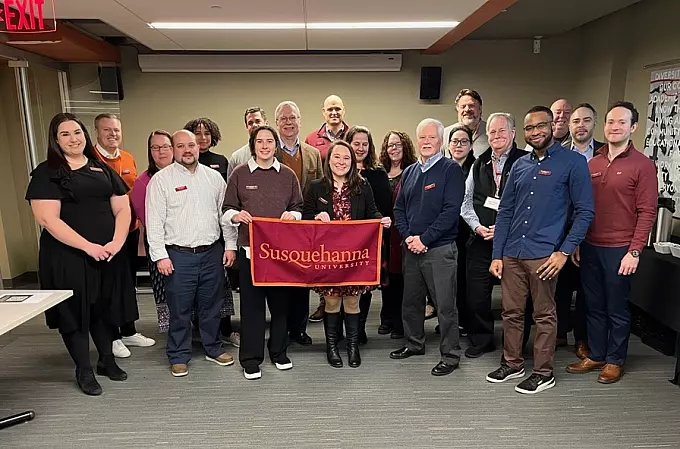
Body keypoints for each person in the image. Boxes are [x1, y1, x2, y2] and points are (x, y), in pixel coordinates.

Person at [25, 112, 137, 395]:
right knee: (75, 313)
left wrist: (116, 241)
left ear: (85, 135)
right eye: (65, 134)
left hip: (107, 253)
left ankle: (106, 360)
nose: (73, 139)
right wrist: (88, 247)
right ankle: (83, 369)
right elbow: (48, 220)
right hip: (68, 256)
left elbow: (122, 207)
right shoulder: (47, 172)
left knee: (103, 307)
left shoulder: (101, 168)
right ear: (55, 140)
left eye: (77, 132)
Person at [486, 106, 594, 394]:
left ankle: (544, 373)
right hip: (512, 252)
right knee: (511, 312)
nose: (535, 132)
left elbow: (585, 212)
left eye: (540, 126)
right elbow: (506, 211)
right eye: (529, 128)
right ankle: (513, 363)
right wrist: (497, 254)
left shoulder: (573, 163)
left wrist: (564, 251)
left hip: (545, 255)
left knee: (544, 315)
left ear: (553, 126)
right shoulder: (520, 165)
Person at [566, 101, 657, 384]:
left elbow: (648, 212)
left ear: (633, 127)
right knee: (593, 304)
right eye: (610, 122)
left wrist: (635, 251)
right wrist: (578, 242)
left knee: (616, 307)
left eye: (621, 122)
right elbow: (582, 208)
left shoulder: (642, 165)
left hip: (620, 249)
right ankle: (597, 353)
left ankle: (615, 360)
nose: (614, 127)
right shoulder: (591, 162)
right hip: (590, 246)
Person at [145, 130, 236, 378]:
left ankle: (213, 347)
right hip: (178, 255)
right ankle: (178, 355)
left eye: (192, 145)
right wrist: (160, 256)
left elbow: (225, 216)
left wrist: (230, 245)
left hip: (211, 253)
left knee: (211, 305)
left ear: (199, 147)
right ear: (173, 150)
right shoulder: (162, 180)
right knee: (180, 308)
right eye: (181, 146)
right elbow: (154, 222)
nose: (187, 150)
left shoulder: (215, 178)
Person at [223, 125, 304, 380]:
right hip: (251, 253)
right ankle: (250, 359)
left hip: (280, 255)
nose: (265, 146)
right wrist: (236, 215)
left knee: (281, 306)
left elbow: (298, 206)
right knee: (252, 307)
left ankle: (279, 353)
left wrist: (294, 215)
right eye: (260, 141)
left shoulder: (288, 175)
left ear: (276, 145)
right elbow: (227, 209)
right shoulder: (240, 174)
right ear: (253, 145)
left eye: (270, 141)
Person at [303, 140, 391, 368]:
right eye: (337, 157)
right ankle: (331, 348)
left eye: (346, 158)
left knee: (352, 302)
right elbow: (304, 218)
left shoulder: (362, 185)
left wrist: (381, 219)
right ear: (328, 160)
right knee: (331, 302)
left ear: (352, 162)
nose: (341, 162)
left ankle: (352, 348)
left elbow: (372, 212)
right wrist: (315, 219)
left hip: (355, 257)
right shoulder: (316, 187)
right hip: (328, 257)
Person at [390, 118, 465, 377]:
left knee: (445, 306)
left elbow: (450, 212)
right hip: (411, 248)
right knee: (410, 302)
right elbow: (399, 208)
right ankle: (414, 343)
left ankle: (451, 355)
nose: (426, 142)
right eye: (422, 137)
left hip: (439, 250)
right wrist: (409, 236)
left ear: (441, 141)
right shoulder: (410, 172)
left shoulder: (451, 170)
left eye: (432, 137)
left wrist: (425, 239)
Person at [460, 113, 526, 358]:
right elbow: (466, 202)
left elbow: (530, 204)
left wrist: (504, 228)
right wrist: (477, 226)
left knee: (515, 299)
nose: (496, 136)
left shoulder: (525, 162)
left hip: (513, 241)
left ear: (513, 133)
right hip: (480, 238)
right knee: (476, 294)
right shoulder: (479, 163)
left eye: (502, 131)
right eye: (492, 132)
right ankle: (482, 339)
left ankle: (515, 346)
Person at [93, 113, 155, 358]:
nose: (112, 134)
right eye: (106, 130)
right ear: (96, 132)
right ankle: (112, 336)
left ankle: (129, 330)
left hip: (127, 232)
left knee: (127, 284)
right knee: (108, 287)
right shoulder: (90, 160)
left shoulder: (127, 157)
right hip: (102, 236)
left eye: (116, 130)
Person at [184, 117, 239, 348]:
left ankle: (225, 329)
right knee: (195, 289)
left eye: (207, 133)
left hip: (216, 234)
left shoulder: (221, 162)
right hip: (191, 235)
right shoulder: (181, 164)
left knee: (219, 288)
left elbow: (225, 200)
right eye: (197, 133)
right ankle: (198, 331)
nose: (202, 138)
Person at [555, 103, 605, 355]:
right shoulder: (558, 152)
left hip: (594, 232)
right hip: (562, 231)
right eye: (576, 121)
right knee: (560, 285)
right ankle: (560, 332)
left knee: (587, 289)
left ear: (594, 123)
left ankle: (582, 339)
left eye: (586, 120)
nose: (581, 125)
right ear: (569, 125)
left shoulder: (606, 154)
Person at [274, 100, 323, 346]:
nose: (288, 122)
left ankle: (299, 329)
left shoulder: (313, 154)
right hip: (278, 229)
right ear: (276, 124)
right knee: (281, 281)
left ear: (300, 121)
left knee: (304, 280)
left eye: (292, 117)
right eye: (283, 119)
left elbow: (321, 190)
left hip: (306, 229)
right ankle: (280, 328)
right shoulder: (270, 152)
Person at [345, 126, 393, 344]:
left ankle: (359, 328)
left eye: (365, 144)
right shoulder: (339, 169)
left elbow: (382, 207)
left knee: (363, 286)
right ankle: (340, 329)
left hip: (368, 241)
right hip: (340, 242)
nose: (361, 148)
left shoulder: (378, 173)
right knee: (340, 286)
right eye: (356, 143)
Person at [130, 130, 174, 333]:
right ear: (150, 152)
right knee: (166, 288)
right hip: (160, 243)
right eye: (155, 148)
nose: (161, 151)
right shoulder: (142, 183)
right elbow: (146, 218)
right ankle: (173, 331)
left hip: (189, 243)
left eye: (165, 146)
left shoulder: (185, 174)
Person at [379, 131, 417, 337]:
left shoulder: (412, 171)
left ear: (406, 147)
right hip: (383, 233)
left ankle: (400, 322)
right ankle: (387, 317)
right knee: (386, 278)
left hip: (403, 231)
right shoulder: (380, 172)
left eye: (398, 145)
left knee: (402, 278)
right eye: (390, 145)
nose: (393, 149)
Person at [445, 124, 476, 336]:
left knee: (467, 281)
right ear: (448, 145)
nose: (458, 145)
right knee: (449, 280)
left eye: (464, 141)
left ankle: (466, 322)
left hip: (470, 234)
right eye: (454, 141)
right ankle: (451, 322)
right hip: (446, 232)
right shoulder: (443, 168)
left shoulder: (478, 167)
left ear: (471, 145)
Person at [444, 89, 489, 157]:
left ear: (480, 109)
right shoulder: (445, 134)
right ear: (457, 109)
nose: (467, 109)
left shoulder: (491, 133)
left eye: (471, 106)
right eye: (463, 106)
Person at [305, 94, 350, 161]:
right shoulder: (311, 140)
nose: (334, 113)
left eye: (338, 109)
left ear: (343, 111)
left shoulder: (353, 137)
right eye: (330, 109)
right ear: (324, 112)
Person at [228, 107, 268, 179]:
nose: (254, 125)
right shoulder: (236, 158)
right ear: (247, 127)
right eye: (250, 123)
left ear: (266, 123)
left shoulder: (278, 153)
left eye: (258, 121)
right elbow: (231, 188)